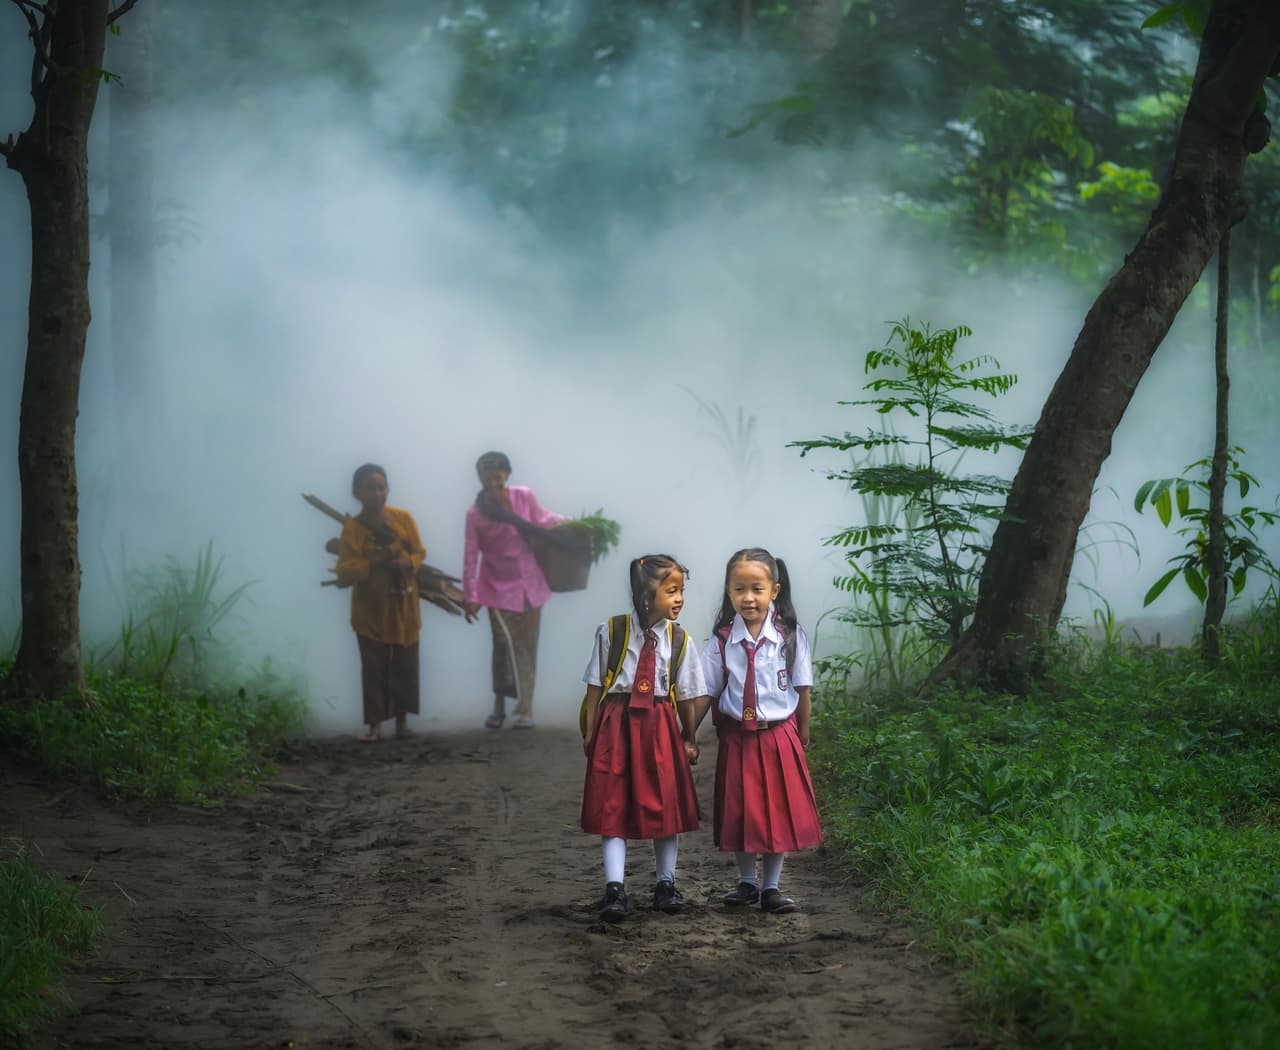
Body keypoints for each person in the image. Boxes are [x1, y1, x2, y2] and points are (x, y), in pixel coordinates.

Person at [695, 547, 822, 914]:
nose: (748, 598)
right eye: (739, 589)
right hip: (737, 737)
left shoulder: (790, 637)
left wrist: (803, 733)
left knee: (776, 811)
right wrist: (686, 734)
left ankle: (771, 887)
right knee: (741, 809)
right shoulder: (721, 640)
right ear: (728, 591)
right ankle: (747, 881)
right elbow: (707, 692)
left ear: (775, 590)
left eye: (756, 589)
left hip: (779, 734)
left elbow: (803, 690)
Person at [580, 555, 706, 923]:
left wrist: (690, 736)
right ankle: (614, 887)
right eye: (672, 591)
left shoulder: (679, 640)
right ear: (646, 597)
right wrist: (590, 731)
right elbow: (593, 684)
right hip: (615, 727)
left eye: (681, 590)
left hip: (659, 727)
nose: (680, 598)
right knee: (612, 806)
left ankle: (666, 884)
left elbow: (687, 695)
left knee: (665, 806)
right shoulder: (612, 632)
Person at [462, 451, 570, 730]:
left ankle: (526, 710)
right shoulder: (475, 514)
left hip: (529, 584)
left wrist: (573, 524)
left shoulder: (523, 497)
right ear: (479, 478)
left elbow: (543, 519)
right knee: (502, 647)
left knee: (527, 647)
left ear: (507, 476)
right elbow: (471, 555)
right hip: (495, 587)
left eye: (498, 474)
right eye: (487, 475)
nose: (493, 479)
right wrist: (470, 596)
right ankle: (499, 707)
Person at [335, 463, 426, 742]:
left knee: (404, 663)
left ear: (388, 490)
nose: (377, 494)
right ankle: (374, 726)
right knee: (373, 667)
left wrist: (407, 562)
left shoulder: (403, 518)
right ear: (357, 493)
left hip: (403, 604)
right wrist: (379, 559)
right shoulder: (353, 529)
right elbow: (346, 568)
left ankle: (401, 722)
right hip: (370, 609)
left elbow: (419, 552)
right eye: (370, 489)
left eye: (381, 488)